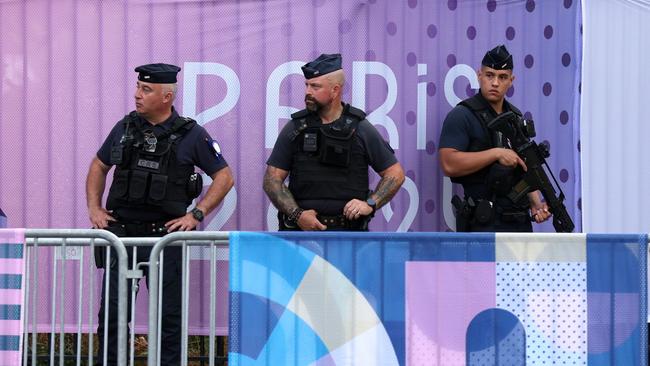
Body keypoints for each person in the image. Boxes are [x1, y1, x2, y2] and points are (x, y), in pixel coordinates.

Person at [85, 63, 234, 365]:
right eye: (139, 87)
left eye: (146, 89)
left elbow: (225, 176)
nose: (137, 95)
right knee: (113, 314)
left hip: (164, 238)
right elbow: (99, 166)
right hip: (122, 236)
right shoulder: (125, 128)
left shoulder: (190, 134)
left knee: (169, 317)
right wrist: (94, 209)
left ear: (167, 97)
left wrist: (197, 215)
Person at [264, 53, 404, 231]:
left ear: (335, 90)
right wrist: (298, 215)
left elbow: (395, 174)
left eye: (315, 86)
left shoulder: (360, 128)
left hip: (347, 237)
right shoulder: (296, 128)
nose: (308, 92)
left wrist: (370, 203)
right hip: (302, 236)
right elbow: (271, 180)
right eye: (306, 85)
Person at [438, 45, 551, 232]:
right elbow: (448, 163)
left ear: (511, 80)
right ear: (479, 75)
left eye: (503, 77)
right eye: (490, 75)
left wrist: (536, 203)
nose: (495, 83)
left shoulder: (515, 117)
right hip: (483, 222)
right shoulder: (462, 115)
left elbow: (525, 167)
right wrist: (495, 154)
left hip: (519, 222)